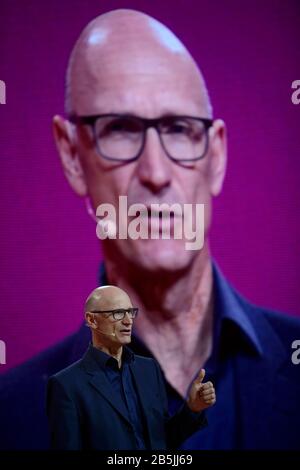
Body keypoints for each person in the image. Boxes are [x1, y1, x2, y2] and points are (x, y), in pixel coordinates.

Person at [0, 9, 300, 450]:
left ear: (215, 157)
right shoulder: (14, 420)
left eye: (179, 129)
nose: (156, 172)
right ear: (71, 155)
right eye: (120, 129)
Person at [47, 285, 214, 450]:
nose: (128, 321)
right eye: (118, 313)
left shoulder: (148, 369)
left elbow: (162, 440)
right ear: (92, 320)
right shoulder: (67, 385)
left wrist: (192, 409)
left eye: (130, 312)